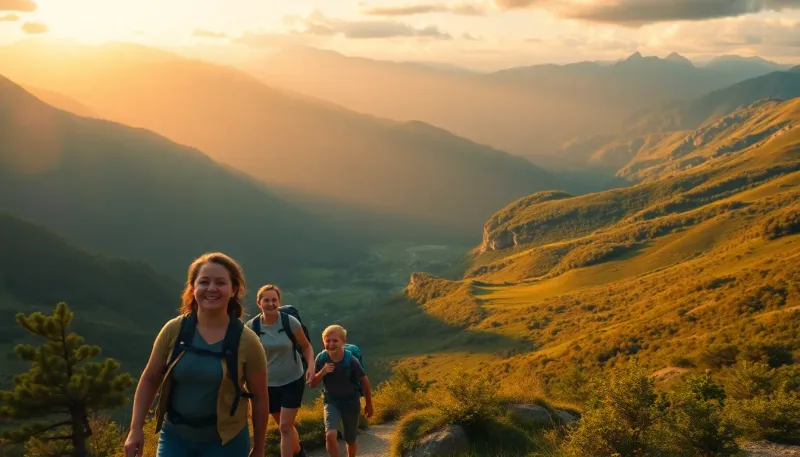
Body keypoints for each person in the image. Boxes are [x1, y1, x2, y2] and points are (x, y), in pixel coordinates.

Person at [123, 252, 268, 457]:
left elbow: (260, 397)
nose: (211, 288)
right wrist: (135, 428)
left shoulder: (248, 341)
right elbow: (150, 378)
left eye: (220, 282)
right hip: (175, 437)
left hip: (226, 442)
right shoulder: (174, 330)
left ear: (233, 289)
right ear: (192, 287)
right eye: (204, 282)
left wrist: (259, 448)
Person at [246, 285, 315, 457]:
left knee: (284, 427)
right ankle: (299, 453)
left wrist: (311, 366)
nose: (271, 304)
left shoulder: (289, 322)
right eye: (266, 300)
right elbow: (247, 359)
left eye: (274, 300)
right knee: (286, 426)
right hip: (268, 385)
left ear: (279, 301)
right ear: (259, 303)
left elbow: (306, 346)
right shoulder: (251, 328)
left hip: (292, 378)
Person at [309, 325, 373, 457]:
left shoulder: (351, 360)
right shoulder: (321, 359)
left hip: (351, 402)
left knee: (350, 439)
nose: (331, 344)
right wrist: (322, 372)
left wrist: (369, 403)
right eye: (328, 341)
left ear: (343, 342)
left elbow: (365, 382)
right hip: (331, 401)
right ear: (323, 342)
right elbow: (313, 384)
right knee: (330, 435)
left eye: (335, 340)